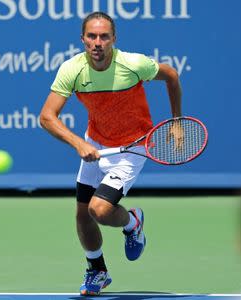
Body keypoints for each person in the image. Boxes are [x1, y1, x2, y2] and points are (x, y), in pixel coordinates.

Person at [39, 11, 182, 296]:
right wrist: (79, 143)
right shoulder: (72, 69)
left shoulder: (133, 64)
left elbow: (171, 76)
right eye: (91, 36)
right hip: (96, 143)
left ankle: (133, 222)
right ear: (83, 40)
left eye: (104, 36)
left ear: (113, 39)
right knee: (82, 215)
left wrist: (177, 121)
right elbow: (47, 117)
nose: (97, 42)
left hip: (133, 147)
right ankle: (97, 271)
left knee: (99, 209)